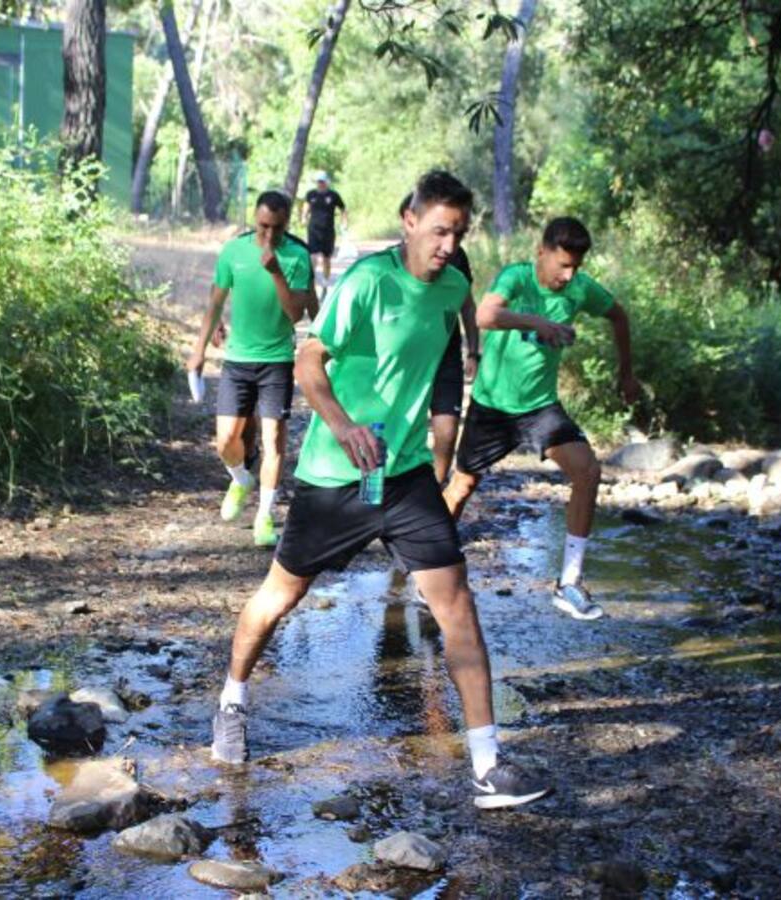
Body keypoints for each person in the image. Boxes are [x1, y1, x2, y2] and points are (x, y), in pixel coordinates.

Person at [210, 171, 550, 810]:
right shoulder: (367, 281)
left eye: (459, 234)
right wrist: (342, 426)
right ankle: (231, 699)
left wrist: (460, 387)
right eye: (440, 230)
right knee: (280, 597)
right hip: (335, 476)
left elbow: (448, 342)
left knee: (457, 606)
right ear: (410, 221)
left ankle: (486, 766)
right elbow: (309, 359)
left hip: (406, 477)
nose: (449, 245)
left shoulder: (453, 287)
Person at [442, 217, 638, 621]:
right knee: (461, 488)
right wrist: (539, 323)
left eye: (576, 267)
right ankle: (429, 567)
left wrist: (626, 373)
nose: (569, 276)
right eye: (562, 265)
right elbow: (485, 316)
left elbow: (619, 316)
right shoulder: (517, 278)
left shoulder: (581, 289)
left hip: (539, 408)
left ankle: (569, 582)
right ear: (541, 252)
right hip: (492, 406)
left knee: (588, 471)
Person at [186, 191, 316, 547]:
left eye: (277, 228)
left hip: (277, 360)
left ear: (287, 224)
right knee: (226, 440)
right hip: (237, 359)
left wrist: (276, 272)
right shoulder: (234, 251)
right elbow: (215, 301)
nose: (270, 234)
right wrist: (198, 351)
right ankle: (242, 480)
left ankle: (265, 516)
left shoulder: (297, 256)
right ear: (254, 220)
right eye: (263, 226)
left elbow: (296, 314)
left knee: (274, 441)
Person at [396, 193, 479, 485]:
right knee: (401, 432)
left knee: (446, 433)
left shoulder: (456, 257)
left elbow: (468, 305)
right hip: (406, 361)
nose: (447, 243)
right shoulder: (387, 266)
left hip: (446, 356)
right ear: (410, 222)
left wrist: (474, 351)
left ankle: (432, 492)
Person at [300, 172, 348, 296]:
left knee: (326, 259)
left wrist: (344, 222)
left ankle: (325, 285)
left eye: (322, 181)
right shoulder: (311, 194)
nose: (320, 184)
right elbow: (306, 207)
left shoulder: (333, 195)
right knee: (313, 258)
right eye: (318, 181)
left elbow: (343, 209)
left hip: (328, 231)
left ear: (326, 182)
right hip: (313, 230)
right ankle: (311, 284)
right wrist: (304, 217)